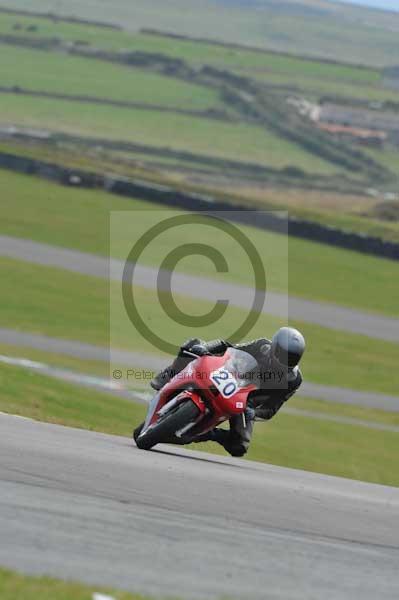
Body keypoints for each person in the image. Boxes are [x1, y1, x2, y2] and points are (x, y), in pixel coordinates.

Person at [148, 327, 305, 457]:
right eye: (283, 355)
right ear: (274, 348)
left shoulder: (293, 380)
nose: (286, 361)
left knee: (239, 447)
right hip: (230, 375)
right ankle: (167, 376)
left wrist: (253, 413)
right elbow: (229, 347)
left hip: (244, 402)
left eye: (292, 359)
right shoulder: (262, 346)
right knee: (193, 344)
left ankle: (208, 433)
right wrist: (206, 348)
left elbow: (271, 409)